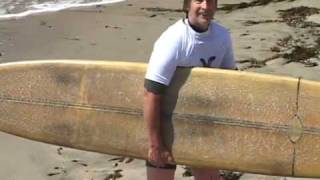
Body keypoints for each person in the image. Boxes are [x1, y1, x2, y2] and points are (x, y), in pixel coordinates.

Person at [143, 0, 237, 179]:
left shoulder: (222, 36)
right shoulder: (173, 39)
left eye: (211, 1)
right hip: (165, 123)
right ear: (186, 5)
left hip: (202, 123)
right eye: (198, 1)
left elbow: (231, 82)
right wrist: (155, 144)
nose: (205, 6)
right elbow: (151, 92)